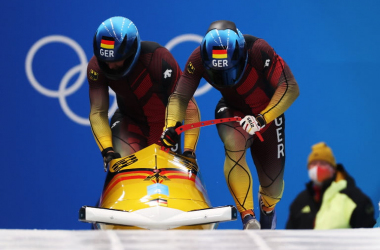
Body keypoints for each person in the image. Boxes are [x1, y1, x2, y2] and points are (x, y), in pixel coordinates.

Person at [161, 20, 299, 229]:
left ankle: (267, 208)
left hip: (268, 115)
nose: (226, 77)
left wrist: (262, 118)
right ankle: (248, 218)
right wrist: (171, 125)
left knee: (273, 188)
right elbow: (179, 97)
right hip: (233, 110)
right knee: (233, 143)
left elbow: (290, 87)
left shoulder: (259, 50)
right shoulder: (198, 58)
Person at [87, 16, 200, 170]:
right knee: (126, 170)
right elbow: (98, 112)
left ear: (132, 52)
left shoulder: (158, 58)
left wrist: (189, 151)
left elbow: (188, 105)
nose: (110, 66)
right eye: (105, 60)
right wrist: (107, 150)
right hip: (128, 121)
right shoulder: (96, 67)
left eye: (116, 59)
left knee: (164, 173)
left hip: (165, 127)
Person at [286, 142, 376, 229]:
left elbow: (367, 238)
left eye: (323, 163)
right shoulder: (300, 201)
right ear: (308, 168)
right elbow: (288, 238)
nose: (317, 168)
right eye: (313, 164)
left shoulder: (354, 198)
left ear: (333, 169)